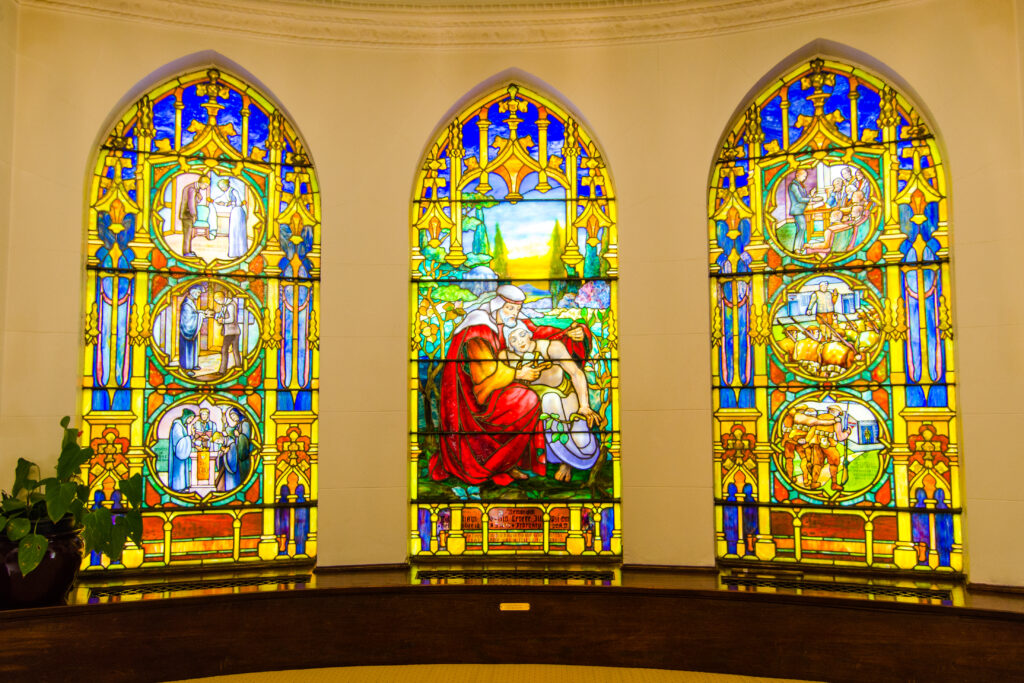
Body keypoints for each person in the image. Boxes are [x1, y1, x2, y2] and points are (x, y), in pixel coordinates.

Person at [429, 284, 590, 487]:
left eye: (517, 308)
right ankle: (498, 463)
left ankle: (507, 462)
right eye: (510, 308)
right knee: (527, 399)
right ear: (498, 305)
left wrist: (571, 333)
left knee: (529, 396)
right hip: (474, 399)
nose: (515, 313)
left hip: (499, 386)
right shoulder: (478, 329)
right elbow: (483, 373)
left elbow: (537, 333)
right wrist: (518, 374)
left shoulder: (509, 321)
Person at [500, 321, 603, 482]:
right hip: (532, 406)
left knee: (584, 445)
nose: (519, 341)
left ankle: (568, 462)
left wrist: (584, 405)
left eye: (522, 335)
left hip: (564, 397)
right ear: (509, 344)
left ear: (529, 334)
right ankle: (562, 461)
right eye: (513, 339)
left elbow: (576, 373)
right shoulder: (505, 357)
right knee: (549, 399)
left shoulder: (551, 347)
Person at [178, 286, 207, 377]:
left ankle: (193, 364)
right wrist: (200, 315)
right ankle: (187, 368)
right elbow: (189, 317)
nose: (199, 295)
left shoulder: (190, 302)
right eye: (198, 293)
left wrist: (201, 312)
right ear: (193, 292)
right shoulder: (186, 304)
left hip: (192, 329)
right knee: (187, 349)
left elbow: (194, 312)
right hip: (187, 330)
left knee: (193, 347)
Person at [179, 175, 210, 257]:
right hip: (187, 214)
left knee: (188, 234)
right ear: (202, 183)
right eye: (206, 185)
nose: (206, 188)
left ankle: (188, 251)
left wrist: (199, 197)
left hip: (187, 214)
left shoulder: (195, 188)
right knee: (187, 234)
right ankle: (186, 252)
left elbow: (196, 200)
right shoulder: (192, 189)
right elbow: (191, 203)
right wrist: (194, 215)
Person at [217, 178, 248, 258]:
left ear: (225, 186)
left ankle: (241, 252)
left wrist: (228, 203)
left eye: (222, 187)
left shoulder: (234, 191)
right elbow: (223, 199)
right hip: (235, 211)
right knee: (234, 232)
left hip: (238, 211)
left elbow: (239, 203)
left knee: (238, 231)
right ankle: (234, 252)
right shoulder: (227, 192)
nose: (221, 189)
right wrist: (223, 204)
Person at [169, 408, 196, 492]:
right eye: (191, 418)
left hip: (181, 453)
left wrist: (190, 437)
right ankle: (178, 487)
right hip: (178, 455)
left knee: (182, 470)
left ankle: (183, 487)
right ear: (186, 417)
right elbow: (180, 442)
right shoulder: (177, 425)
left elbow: (185, 440)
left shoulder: (182, 425)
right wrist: (189, 436)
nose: (191, 421)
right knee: (179, 470)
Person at [214, 293, 242, 374]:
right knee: (235, 349)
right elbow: (222, 314)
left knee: (224, 350)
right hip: (234, 331)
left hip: (231, 331)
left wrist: (222, 321)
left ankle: (222, 370)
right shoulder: (225, 305)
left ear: (221, 298)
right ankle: (238, 366)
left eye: (217, 300)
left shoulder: (230, 305)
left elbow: (231, 319)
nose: (217, 302)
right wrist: (216, 316)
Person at [190, 408, 217, 484]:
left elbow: (215, 436)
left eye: (205, 414)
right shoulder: (196, 424)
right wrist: (195, 435)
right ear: (200, 415)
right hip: (198, 446)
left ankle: (210, 481)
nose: (204, 416)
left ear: (208, 415)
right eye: (202, 414)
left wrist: (209, 438)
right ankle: (196, 482)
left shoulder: (213, 424)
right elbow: (193, 435)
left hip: (209, 446)